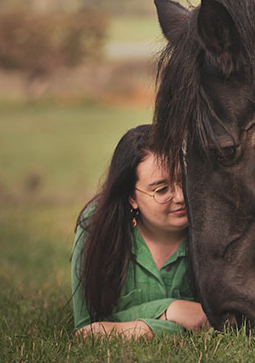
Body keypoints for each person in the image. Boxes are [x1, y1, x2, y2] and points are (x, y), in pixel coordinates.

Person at [71, 124, 209, 338]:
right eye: (161, 190)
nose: (181, 197)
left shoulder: (212, 225)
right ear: (131, 197)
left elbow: (217, 322)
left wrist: (120, 328)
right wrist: (169, 311)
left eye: (184, 181)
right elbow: (87, 330)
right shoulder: (95, 226)